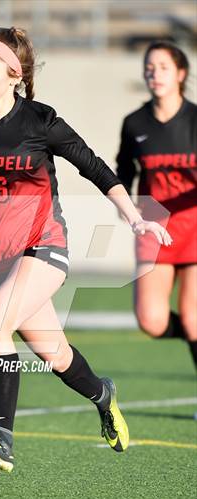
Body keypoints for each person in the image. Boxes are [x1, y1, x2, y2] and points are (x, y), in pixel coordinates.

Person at [0, 27, 172, 473]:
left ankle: (2, 438)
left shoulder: (39, 120)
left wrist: (133, 215)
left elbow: (93, 165)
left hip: (45, 247)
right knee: (54, 354)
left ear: (14, 74)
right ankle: (103, 394)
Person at [116, 40, 196, 368]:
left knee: (194, 319)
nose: (155, 74)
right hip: (154, 228)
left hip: (194, 226)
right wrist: (124, 202)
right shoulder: (135, 123)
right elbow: (123, 168)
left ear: (180, 73)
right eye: (149, 68)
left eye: (163, 67)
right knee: (151, 320)